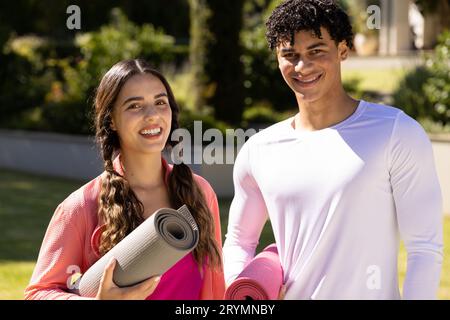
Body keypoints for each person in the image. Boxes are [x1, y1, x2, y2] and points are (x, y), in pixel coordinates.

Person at [223, 0, 443, 300]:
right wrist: (244, 294)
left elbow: (424, 248)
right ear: (277, 59)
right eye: (290, 55)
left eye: (316, 51)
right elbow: (239, 240)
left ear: (342, 49)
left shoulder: (395, 133)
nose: (302, 66)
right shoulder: (259, 150)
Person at [24, 59, 225, 300]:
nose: (152, 116)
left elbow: (214, 288)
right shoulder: (81, 206)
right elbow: (37, 294)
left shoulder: (199, 192)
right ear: (111, 120)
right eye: (135, 106)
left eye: (160, 102)